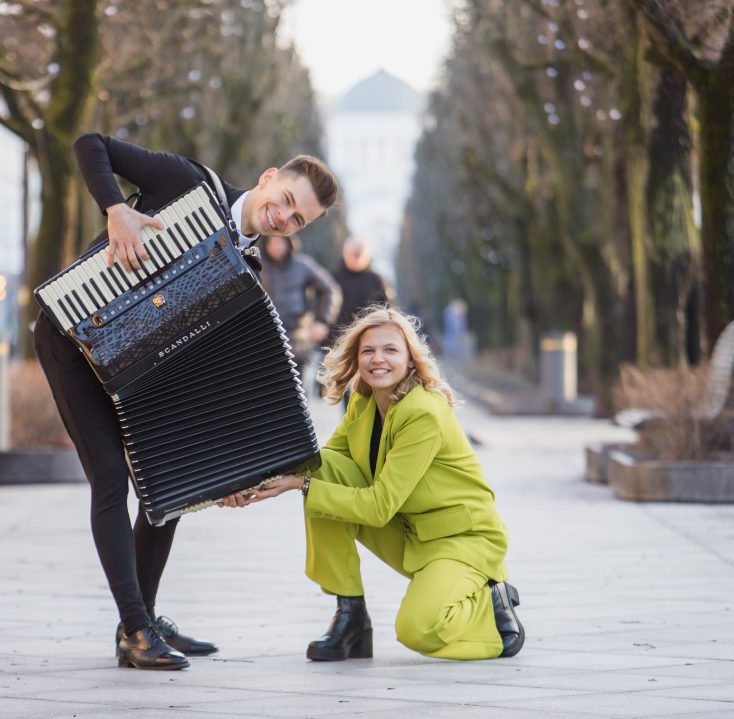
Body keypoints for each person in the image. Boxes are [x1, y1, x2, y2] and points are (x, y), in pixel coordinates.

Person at [33, 133, 339, 670]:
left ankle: (143, 619)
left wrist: (229, 470)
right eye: (287, 200)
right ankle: (134, 629)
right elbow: (89, 144)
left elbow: (215, 372)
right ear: (270, 177)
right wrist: (116, 212)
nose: (284, 219)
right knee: (110, 478)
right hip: (73, 339)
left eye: (298, 222)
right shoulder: (190, 184)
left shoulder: (248, 270)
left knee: (170, 483)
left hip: (137, 362)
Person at [222, 305, 523, 662]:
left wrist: (298, 486)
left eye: (390, 350)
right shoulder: (364, 402)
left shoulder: (422, 412)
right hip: (411, 530)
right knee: (322, 471)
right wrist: (247, 482)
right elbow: (319, 465)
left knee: (417, 630)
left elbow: (379, 507)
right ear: (357, 358)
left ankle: (492, 607)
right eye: (368, 351)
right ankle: (350, 616)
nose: (378, 359)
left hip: (460, 540)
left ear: (411, 360)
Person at [259, 235, 340, 378]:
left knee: (297, 389)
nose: (275, 246)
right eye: (271, 242)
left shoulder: (303, 265)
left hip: (298, 340)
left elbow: (329, 289)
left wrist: (322, 320)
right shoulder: (258, 267)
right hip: (265, 339)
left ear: (288, 242)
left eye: (279, 242)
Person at [328, 237, 394, 406]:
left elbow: (388, 311)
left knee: (370, 389)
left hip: (371, 344)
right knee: (347, 392)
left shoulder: (377, 280)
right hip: (341, 343)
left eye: (360, 254)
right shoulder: (332, 278)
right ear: (345, 254)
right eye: (353, 254)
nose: (357, 257)